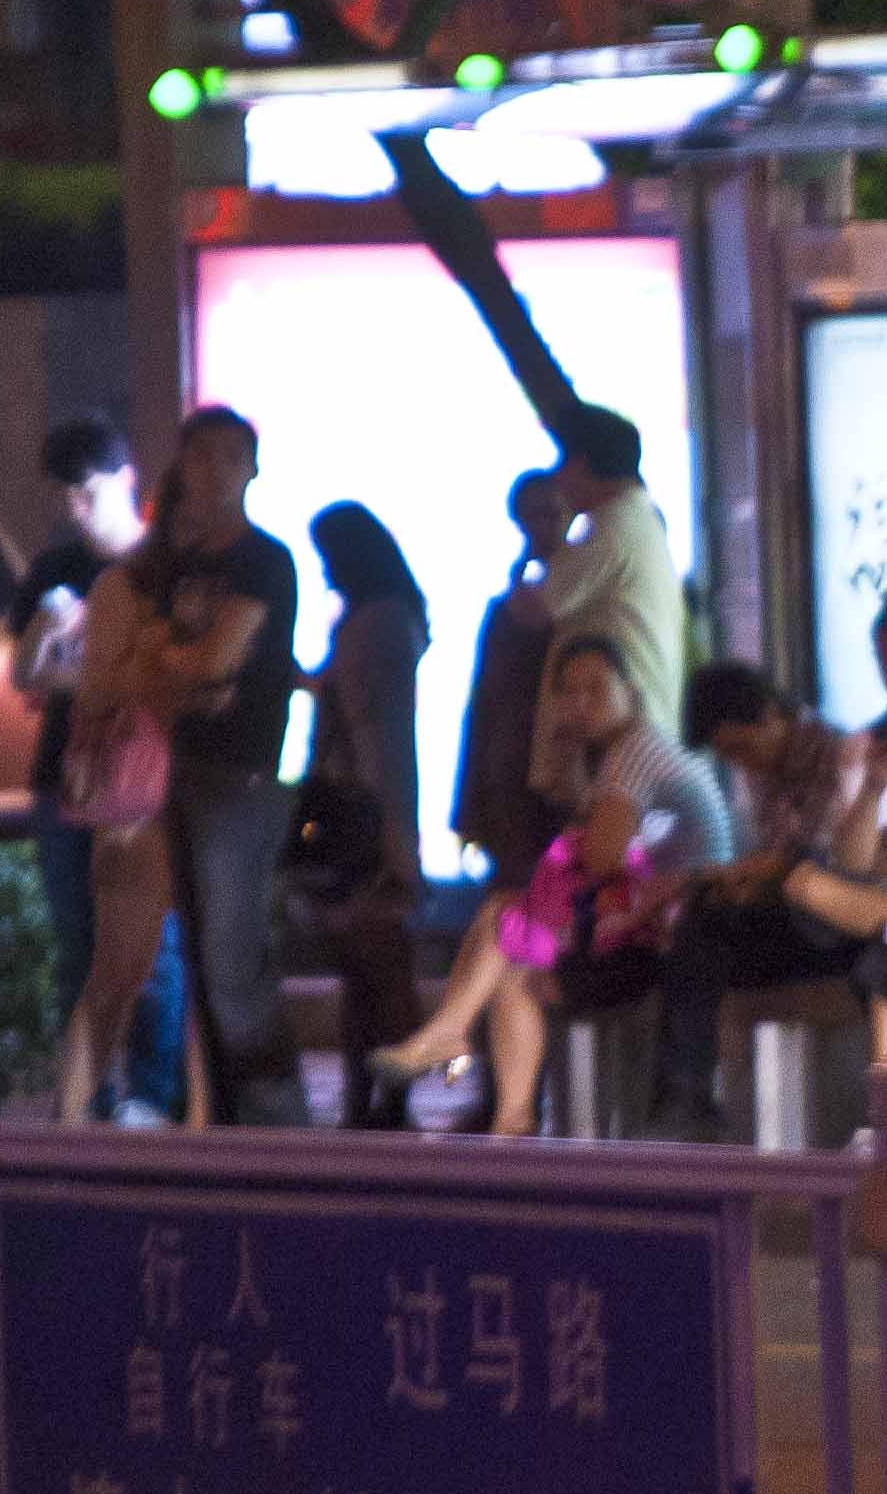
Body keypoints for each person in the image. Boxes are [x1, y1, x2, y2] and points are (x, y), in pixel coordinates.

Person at [638, 600, 887, 1138]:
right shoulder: (864, 747)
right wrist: (875, 787)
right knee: (764, 906)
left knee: (867, 945)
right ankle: (685, 1102)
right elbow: (853, 866)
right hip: (874, 910)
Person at [374, 634, 732, 1134]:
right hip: (644, 924)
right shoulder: (614, 755)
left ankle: (458, 1041)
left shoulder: (635, 752)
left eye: (596, 688)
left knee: (505, 921)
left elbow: (601, 859)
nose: (581, 703)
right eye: (569, 691)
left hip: (675, 939)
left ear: (629, 692)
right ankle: (506, 1113)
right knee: (513, 950)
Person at [10, 418, 188, 1121]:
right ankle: (91, 1100)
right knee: (77, 947)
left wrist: (93, 673)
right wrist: (48, 633)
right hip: (68, 779)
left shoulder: (163, 567)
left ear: (125, 479)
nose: (77, 510)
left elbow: (163, 675)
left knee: (153, 951)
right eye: (66, 497)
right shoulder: (55, 570)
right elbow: (24, 675)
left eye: (87, 493)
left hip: (146, 782)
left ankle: (151, 1094)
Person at [148, 407, 307, 1126]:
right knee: (202, 962)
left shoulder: (264, 561)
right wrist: (181, 667)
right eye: (200, 456)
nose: (213, 471)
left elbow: (216, 659)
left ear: (252, 469)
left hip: (243, 777)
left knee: (234, 959)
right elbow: (146, 665)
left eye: (229, 456)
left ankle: (279, 1129)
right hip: (182, 769)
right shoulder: (177, 566)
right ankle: (227, 1127)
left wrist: (174, 660)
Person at [47, 460, 202, 1128]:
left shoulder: (216, 587)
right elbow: (97, 692)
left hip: (192, 791)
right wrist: (162, 656)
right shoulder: (126, 587)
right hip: (139, 797)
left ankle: (188, 1119)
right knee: (121, 968)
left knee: (183, 970)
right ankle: (75, 1116)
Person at [306, 502, 431, 1129]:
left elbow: (372, 730)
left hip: (363, 810)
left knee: (372, 966)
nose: (325, 570)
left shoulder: (372, 624)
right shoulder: (388, 619)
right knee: (373, 964)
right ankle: (380, 1094)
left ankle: (380, 1094)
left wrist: (390, 834)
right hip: (378, 805)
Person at [533, 405, 685, 774]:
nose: (557, 479)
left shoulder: (609, 527)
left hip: (615, 734)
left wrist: (538, 549)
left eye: (563, 463)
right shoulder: (638, 517)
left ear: (581, 463)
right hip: (633, 728)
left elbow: (535, 608)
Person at [454, 470, 569, 892]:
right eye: (532, 516)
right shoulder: (505, 611)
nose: (542, 526)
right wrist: (468, 809)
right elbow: (482, 706)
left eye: (549, 514)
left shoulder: (585, 599)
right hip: (510, 771)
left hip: (564, 764)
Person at [684, 660, 850, 888]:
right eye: (729, 757)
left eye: (741, 748)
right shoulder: (761, 767)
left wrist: (738, 871)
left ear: (770, 714)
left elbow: (820, 857)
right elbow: (773, 850)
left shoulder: (834, 755)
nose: (741, 764)